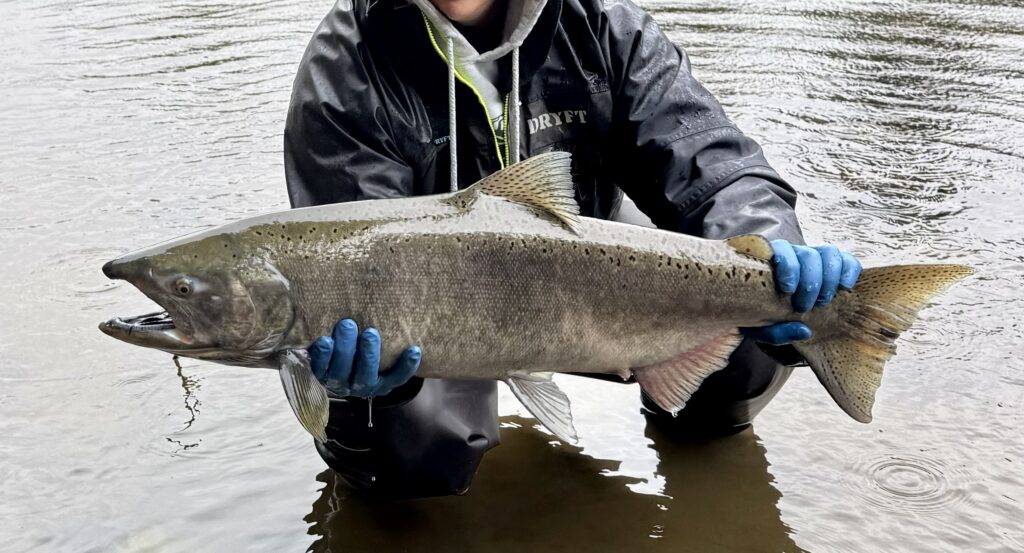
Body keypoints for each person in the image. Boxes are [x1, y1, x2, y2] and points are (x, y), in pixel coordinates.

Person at [284, 0, 861, 499]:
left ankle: (698, 439)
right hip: (447, 301)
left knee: (752, 310)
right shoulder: (344, 71)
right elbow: (350, 258)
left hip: (590, 261)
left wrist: (773, 240)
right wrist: (365, 398)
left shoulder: (604, 23)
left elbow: (707, 158)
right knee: (408, 437)